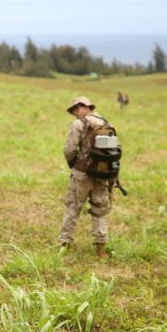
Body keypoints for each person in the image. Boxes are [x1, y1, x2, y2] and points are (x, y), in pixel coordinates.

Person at [58, 96, 112, 257]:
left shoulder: (78, 124)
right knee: (100, 210)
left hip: (81, 175)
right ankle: (100, 248)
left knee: (73, 207)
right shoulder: (106, 123)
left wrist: (74, 164)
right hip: (102, 174)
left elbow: (69, 149)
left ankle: (65, 244)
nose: (74, 113)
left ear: (82, 107)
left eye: (75, 109)